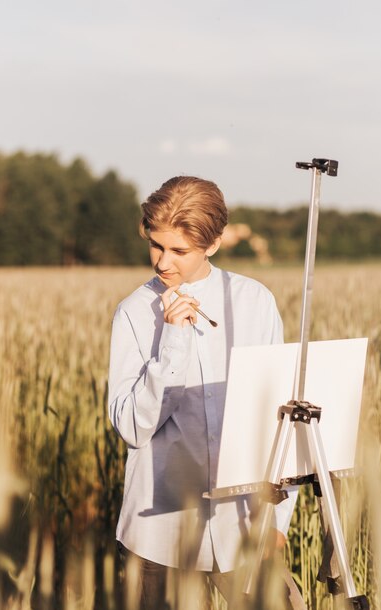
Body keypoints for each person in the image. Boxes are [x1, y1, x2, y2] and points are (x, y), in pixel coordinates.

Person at [108, 176, 298, 609]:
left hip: (247, 525)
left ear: (213, 244)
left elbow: (283, 417)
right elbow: (133, 428)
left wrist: (279, 519)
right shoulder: (134, 313)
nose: (162, 263)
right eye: (156, 245)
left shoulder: (254, 302)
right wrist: (172, 341)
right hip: (159, 535)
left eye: (179, 251)